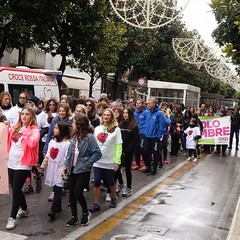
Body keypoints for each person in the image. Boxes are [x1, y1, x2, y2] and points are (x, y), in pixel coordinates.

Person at [6, 106, 40, 230]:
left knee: (15, 189)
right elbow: (7, 137)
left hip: (24, 163)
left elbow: (32, 143)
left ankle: (12, 217)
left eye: (27, 114)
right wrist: (6, 126)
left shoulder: (34, 130)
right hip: (11, 162)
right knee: (15, 187)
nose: (24, 116)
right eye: (23, 114)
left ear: (32, 117)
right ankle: (24, 208)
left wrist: (26, 131)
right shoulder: (15, 127)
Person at [65, 114, 102, 226]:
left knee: (77, 192)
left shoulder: (89, 138)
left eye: (74, 123)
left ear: (79, 125)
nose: (72, 124)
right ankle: (74, 216)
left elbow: (97, 153)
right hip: (72, 167)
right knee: (71, 193)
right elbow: (70, 152)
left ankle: (86, 213)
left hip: (83, 169)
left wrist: (88, 163)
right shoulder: (74, 136)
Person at [89, 108, 122, 213]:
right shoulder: (98, 128)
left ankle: (113, 197)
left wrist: (117, 161)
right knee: (97, 182)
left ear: (111, 117)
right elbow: (93, 143)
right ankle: (96, 203)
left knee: (110, 181)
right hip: (98, 161)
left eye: (108, 115)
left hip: (109, 161)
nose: (106, 117)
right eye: (104, 115)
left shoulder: (116, 130)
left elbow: (118, 146)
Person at [40, 122, 71, 220]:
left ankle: (53, 209)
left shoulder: (67, 143)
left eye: (57, 128)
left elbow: (67, 158)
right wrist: (42, 167)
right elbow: (48, 155)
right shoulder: (52, 142)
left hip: (60, 169)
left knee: (58, 188)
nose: (54, 129)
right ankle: (59, 206)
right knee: (55, 187)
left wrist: (65, 170)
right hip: (52, 168)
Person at [143, 98, 168, 175]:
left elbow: (162, 124)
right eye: (148, 103)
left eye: (150, 103)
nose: (148, 105)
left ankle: (154, 169)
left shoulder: (159, 113)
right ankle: (148, 167)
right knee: (146, 151)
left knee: (155, 152)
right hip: (147, 135)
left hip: (155, 137)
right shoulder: (147, 112)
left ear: (154, 104)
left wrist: (159, 135)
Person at [119, 107, 139, 197]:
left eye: (127, 113)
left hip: (128, 151)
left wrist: (127, 150)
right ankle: (120, 183)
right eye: (124, 113)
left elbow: (134, 140)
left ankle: (129, 188)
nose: (125, 115)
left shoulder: (134, 126)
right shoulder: (120, 125)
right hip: (120, 149)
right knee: (117, 168)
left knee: (127, 169)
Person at [133, 98, 147, 170]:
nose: (138, 104)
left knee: (142, 148)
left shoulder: (145, 112)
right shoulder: (135, 112)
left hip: (143, 132)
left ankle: (146, 164)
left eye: (139, 103)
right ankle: (138, 163)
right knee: (136, 149)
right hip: (136, 132)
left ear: (142, 104)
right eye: (137, 103)